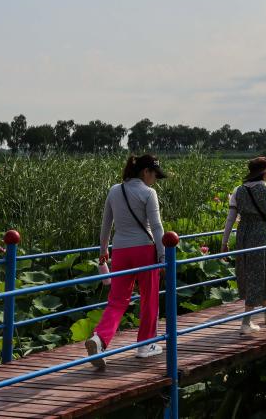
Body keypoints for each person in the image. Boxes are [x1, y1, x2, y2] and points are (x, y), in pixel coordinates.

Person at [86, 154, 167, 369]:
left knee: (117, 300)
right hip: (144, 249)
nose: (155, 180)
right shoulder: (149, 193)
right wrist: (163, 255)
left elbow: (106, 224)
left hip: (120, 250)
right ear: (145, 172)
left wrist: (103, 250)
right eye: (154, 174)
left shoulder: (114, 190)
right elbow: (157, 227)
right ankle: (145, 345)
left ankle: (99, 339)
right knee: (149, 297)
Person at [221, 156, 266, 335]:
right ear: (265, 174)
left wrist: (224, 242)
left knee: (257, 271)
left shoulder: (238, 191)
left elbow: (230, 219)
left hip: (243, 234)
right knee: (257, 272)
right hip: (262, 235)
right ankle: (246, 322)